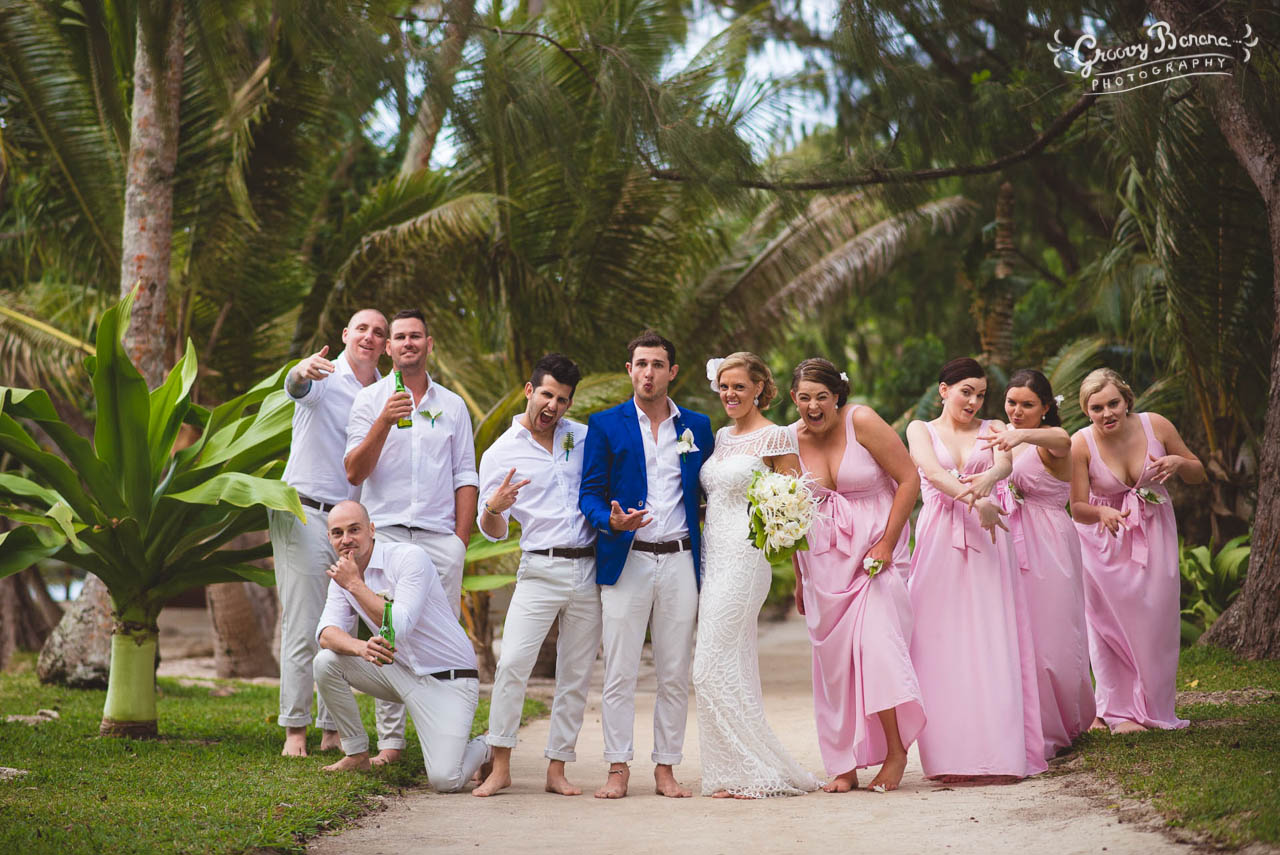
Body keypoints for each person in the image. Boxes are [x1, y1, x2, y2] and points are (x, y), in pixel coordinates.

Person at [579, 330, 714, 800]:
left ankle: (666, 768)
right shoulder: (605, 424)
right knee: (619, 670)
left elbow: (708, 492)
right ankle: (617, 768)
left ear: (672, 372)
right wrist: (611, 521)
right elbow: (589, 494)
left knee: (675, 671)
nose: (648, 373)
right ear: (629, 370)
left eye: (657, 364)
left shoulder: (697, 425)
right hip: (627, 560)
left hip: (680, 560)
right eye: (640, 364)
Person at [344, 308, 479, 766]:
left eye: (415, 336)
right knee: (388, 634)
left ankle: (444, 736)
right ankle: (391, 745)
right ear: (388, 347)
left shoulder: (453, 405)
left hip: (440, 539)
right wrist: (384, 420)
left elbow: (466, 476)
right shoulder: (368, 402)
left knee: (440, 639)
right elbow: (354, 471)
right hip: (389, 537)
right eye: (398, 337)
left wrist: (459, 539)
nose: (407, 343)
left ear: (429, 343)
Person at [905, 357, 1046, 780]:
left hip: (989, 539)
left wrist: (990, 483)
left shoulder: (995, 430)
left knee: (991, 640)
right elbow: (930, 471)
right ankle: (948, 758)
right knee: (938, 645)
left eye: (981, 394)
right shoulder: (920, 430)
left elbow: (1005, 465)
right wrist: (977, 498)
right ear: (944, 390)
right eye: (966, 391)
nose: (974, 401)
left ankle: (999, 754)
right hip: (938, 541)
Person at [789, 358, 924, 793]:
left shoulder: (861, 420)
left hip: (873, 558)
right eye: (805, 397)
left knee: (876, 648)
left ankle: (896, 750)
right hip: (823, 564)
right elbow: (790, 516)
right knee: (834, 669)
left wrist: (886, 543)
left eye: (821, 397)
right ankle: (843, 765)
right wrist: (797, 577)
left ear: (837, 397)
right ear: (794, 399)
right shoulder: (786, 440)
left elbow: (908, 479)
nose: (813, 405)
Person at [471, 354, 601, 798]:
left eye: (562, 400)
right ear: (529, 391)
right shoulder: (500, 453)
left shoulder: (583, 438)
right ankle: (501, 765)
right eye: (546, 395)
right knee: (511, 666)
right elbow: (489, 532)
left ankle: (557, 768)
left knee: (575, 673)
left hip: (588, 568)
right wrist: (495, 507)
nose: (553, 406)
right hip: (539, 568)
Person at [693, 352, 821, 798]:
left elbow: (798, 502)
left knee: (706, 668)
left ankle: (751, 766)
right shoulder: (722, 437)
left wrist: (796, 567)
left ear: (759, 389)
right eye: (724, 387)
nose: (730, 394)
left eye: (739, 387)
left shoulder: (777, 436)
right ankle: (733, 772)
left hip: (747, 559)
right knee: (733, 663)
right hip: (714, 555)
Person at [272, 307, 387, 757]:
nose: (370, 337)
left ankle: (332, 729)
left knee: (343, 621)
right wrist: (300, 370)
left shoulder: (382, 392)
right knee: (303, 622)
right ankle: (294, 729)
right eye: (362, 328)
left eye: (379, 333)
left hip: (352, 523)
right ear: (346, 334)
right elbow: (295, 386)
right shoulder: (324, 374)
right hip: (303, 511)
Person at [313, 500, 489, 791]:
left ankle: (487, 744)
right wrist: (360, 647)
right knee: (326, 661)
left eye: (354, 529)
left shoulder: (409, 558)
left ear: (371, 530)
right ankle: (356, 753)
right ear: (329, 538)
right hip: (401, 674)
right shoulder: (342, 577)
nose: (346, 540)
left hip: (449, 679)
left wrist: (356, 584)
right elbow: (326, 633)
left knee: (446, 780)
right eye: (337, 533)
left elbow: (401, 626)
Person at [1069, 368, 1204, 734]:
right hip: (1102, 544)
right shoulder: (1080, 443)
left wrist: (1179, 463)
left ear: (1127, 400)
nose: (1106, 413)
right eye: (1096, 408)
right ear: (1086, 411)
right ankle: (1116, 710)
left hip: (1154, 531)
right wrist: (1102, 510)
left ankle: (1154, 705)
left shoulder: (1156, 425)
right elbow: (1077, 507)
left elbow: (1199, 472)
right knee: (1106, 626)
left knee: (1157, 620)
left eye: (1113, 403)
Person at [985, 369, 1094, 757]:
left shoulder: (1051, 442)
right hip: (1009, 540)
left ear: (1046, 407)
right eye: (1011, 402)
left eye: (1028, 404)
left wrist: (1021, 434)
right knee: (1016, 633)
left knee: (1052, 637)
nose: (1017, 411)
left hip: (1048, 541)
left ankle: (1061, 722)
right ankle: (1024, 722)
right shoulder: (1001, 436)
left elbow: (1065, 438)